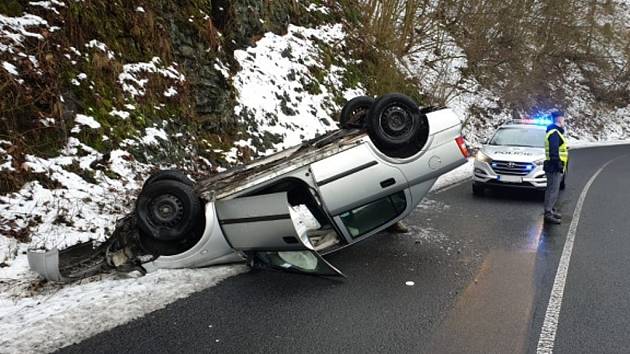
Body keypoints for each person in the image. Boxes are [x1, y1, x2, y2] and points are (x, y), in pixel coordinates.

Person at [543, 111, 569, 224]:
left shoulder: (554, 132)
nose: (564, 122)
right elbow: (554, 151)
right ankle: (548, 213)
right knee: (553, 190)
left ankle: (550, 210)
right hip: (554, 166)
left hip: (552, 165)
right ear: (559, 119)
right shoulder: (554, 133)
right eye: (563, 119)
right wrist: (558, 163)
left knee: (552, 189)